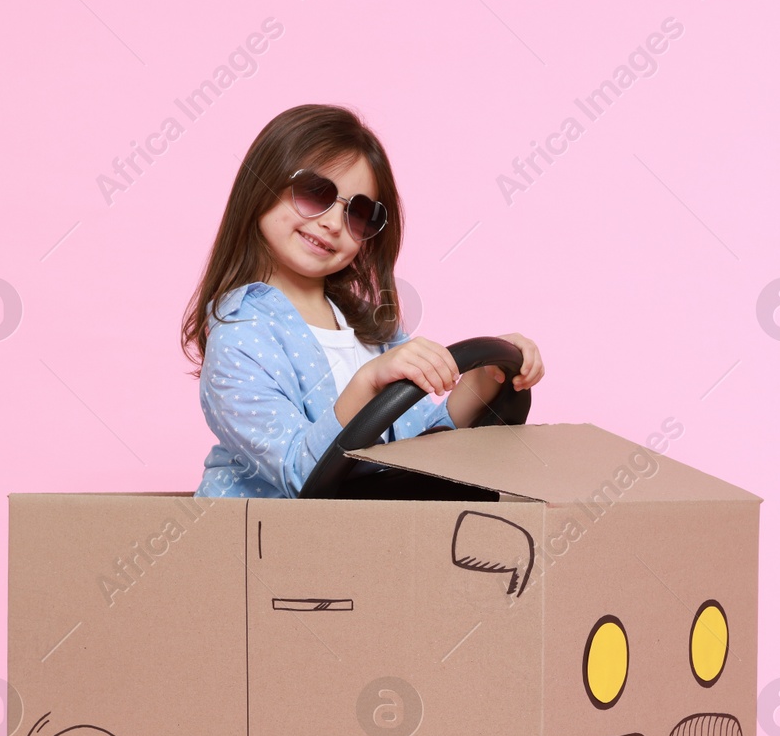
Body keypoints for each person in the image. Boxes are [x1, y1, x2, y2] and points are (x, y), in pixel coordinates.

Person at [182, 104, 544, 498]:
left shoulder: (371, 330)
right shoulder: (240, 334)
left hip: (358, 540)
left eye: (358, 213)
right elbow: (299, 475)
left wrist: (484, 377)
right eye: (314, 193)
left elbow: (419, 447)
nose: (333, 224)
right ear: (263, 184)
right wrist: (368, 381)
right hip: (258, 546)